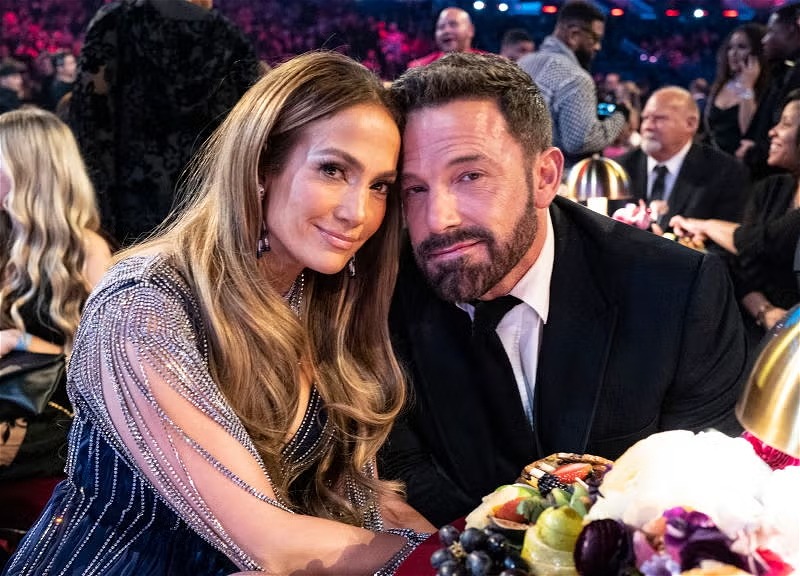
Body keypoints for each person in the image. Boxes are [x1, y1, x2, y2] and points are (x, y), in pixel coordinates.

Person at [3, 51, 433, 576]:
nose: (357, 212)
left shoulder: (321, 297)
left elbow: (356, 497)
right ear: (260, 167)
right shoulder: (143, 304)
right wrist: (445, 559)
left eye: (379, 185)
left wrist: (475, 544)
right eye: (332, 170)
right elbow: (268, 541)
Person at [379, 52, 748, 527]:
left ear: (545, 177)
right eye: (414, 189)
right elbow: (404, 466)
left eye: (470, 176)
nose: (438, 220)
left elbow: (705, 490)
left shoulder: (676, 292)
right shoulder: (384, 297)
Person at [70, 0, 261, 247]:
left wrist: (100, 212)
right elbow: (250, 132)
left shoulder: (115, 22)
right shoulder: (231, 37)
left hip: (128, 214)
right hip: (207, 212)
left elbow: (89, 121)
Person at [0, 108, 112, 520]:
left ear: (27, 168)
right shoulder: (5, 240)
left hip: (56, 414)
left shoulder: (88, 251)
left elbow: (101, 365)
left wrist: (20, 340)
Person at [671, 89, 800, 349]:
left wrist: (706, 225)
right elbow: (738, 259)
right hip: (755, 326)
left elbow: (761, 242)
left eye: (786, 124)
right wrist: (765, 312)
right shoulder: (770, 188)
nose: (772, 132)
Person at [517, 1, 633, 171]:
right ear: (573, 35)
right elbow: (581, 142)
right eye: (595, 39)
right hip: (551, 178)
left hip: (516, 169)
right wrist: (620, 115)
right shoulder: (576, 78)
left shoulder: (524, 62)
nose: (598, 47)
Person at [617, 86, 749, 233]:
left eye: (659, 118)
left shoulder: (726, 173)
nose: (647, 126)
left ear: (690, 124)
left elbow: (729, 237)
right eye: (646, 118)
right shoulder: (620, 168)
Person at [737, 3, 800, 181]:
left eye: (771, 31)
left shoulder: (793, 75)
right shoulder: (781, 70)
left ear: (790, 30)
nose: (764, 41)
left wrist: (755, 152)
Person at [705, 23, 768, 156]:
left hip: (740, 161)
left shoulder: (766, 88)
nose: (733, 53)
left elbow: (748, 131)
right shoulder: (722, 83)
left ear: (756, 52)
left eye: (741, 47)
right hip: (712, 159)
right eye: (730, 47)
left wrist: (748, 86)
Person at [407, 7, 484, 69]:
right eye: (441, 27)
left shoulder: (487, 64)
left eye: (453, 24)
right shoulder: (419, 67)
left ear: (471, 30)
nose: (446, 31)